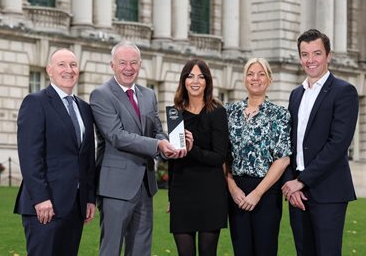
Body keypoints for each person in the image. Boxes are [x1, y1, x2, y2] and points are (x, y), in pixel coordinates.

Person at [90, 41, 187, 256]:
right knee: (111, 249)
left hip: (145, 185)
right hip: (115, 188)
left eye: (133, 62)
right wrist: (157, 144)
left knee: (141, 249)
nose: (128, 67)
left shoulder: (148, 95)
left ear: (140, 64)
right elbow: (117, 136)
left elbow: (157, 130)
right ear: (112, 65)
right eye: (123, 62)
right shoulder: (101, 95)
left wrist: (168, 147)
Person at [282, 29, 359, 256]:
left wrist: (301, 181)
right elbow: (289, 144)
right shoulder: (296, 94)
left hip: (329, 192)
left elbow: (338, 144)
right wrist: (291, 184)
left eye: (317, 53)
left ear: (329, 56)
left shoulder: (344, 91)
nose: (310, 60)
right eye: (305, 54)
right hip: (298, 195)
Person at [14, 48, 96, 256]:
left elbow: (86, 157)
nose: (69, 70)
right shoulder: (35, 102)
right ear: (49, 70)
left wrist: (88, 198)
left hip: (75, 206)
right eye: (62, 65)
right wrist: (40, 199)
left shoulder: (85, 108)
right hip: (45, 205)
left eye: (73, 65)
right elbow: (30, 156)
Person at [225, 58, 291, 256]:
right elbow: (222, 154)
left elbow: (283, 159)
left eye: (261, 74)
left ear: (269, 79)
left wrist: (257, 193)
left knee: (265, 250)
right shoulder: (230, 112)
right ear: (244, 79)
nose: (256, 78)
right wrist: (232, 187)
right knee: (241, 250)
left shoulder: (279, 114)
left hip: (266, 191)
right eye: (250, 74)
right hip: (236, 192)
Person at [167, 59, 229, 256]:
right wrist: (170, 197)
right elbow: (173, 161)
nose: (195, 81)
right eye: (190, 76)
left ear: (207, 82)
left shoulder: (217, 112)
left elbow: (219, 157)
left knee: (207, 252)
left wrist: (192, 149)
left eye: (201, 77)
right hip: (182, 192)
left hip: (210, 192)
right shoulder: (175, 114)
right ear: (184, 81)